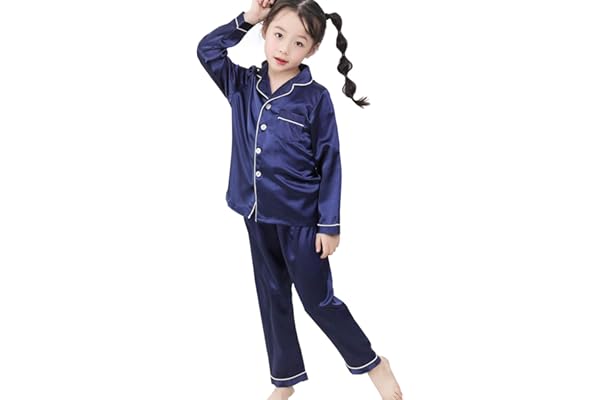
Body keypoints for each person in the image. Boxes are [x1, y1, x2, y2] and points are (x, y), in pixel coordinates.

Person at [197, 0, 403, 399]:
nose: (284, 48)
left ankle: (372, 363)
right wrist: (247, 18)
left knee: (317, 301)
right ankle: (285, 380)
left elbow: (330, 161)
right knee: (272, 296)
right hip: (255, 213)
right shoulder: (242, 85)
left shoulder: (315, 98)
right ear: (265, 31)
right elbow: (207, 50)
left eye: (298, 42)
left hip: (302, 221)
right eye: (278, 35)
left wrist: (329, 224)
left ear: (312, 50)